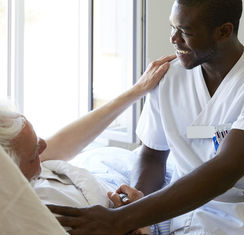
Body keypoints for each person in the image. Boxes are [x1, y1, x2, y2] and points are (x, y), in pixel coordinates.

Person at [49, 0, 244, 234]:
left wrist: (120, 219)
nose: (173, 39)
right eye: (172, 28)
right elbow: (153, 155)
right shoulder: (168, 78)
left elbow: (226, 169)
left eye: (185, 31)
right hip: (194, 210)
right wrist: (137, 201)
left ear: (224, 31)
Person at [0, 54, 175, 235]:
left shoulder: (18, 163)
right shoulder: (28, 222)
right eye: (34, 154)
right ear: (11, 173)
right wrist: (139, 224)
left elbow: (59, 144)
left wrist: (138, 89)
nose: (44, 147)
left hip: (115, 176)